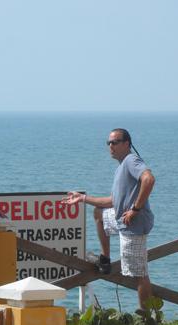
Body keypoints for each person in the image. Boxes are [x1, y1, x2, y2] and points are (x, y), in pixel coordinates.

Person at [63, 128, 155, 309]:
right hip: (122, 220)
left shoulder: (131, 160)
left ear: (127, 144)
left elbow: (149, 179)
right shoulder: (121, 167)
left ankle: (148, 319)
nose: (110, 146)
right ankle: (105, 258)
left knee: (140, 275)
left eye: (115, 142)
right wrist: (82, 198)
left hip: (133, 225)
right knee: (99, 213)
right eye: (108, 143)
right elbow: (113, 201)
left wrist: (135, 209)